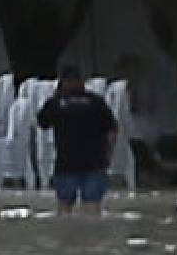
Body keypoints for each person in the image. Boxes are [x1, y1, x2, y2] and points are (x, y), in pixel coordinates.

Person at [41, 69, 120, 211]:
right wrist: (109, 155)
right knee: (92, 207)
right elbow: (112, 130)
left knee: (64, 209)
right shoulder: (96, 102)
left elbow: (42, 123)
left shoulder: (56, 102)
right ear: (82, 82)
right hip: (95, 163)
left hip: (66, 163)